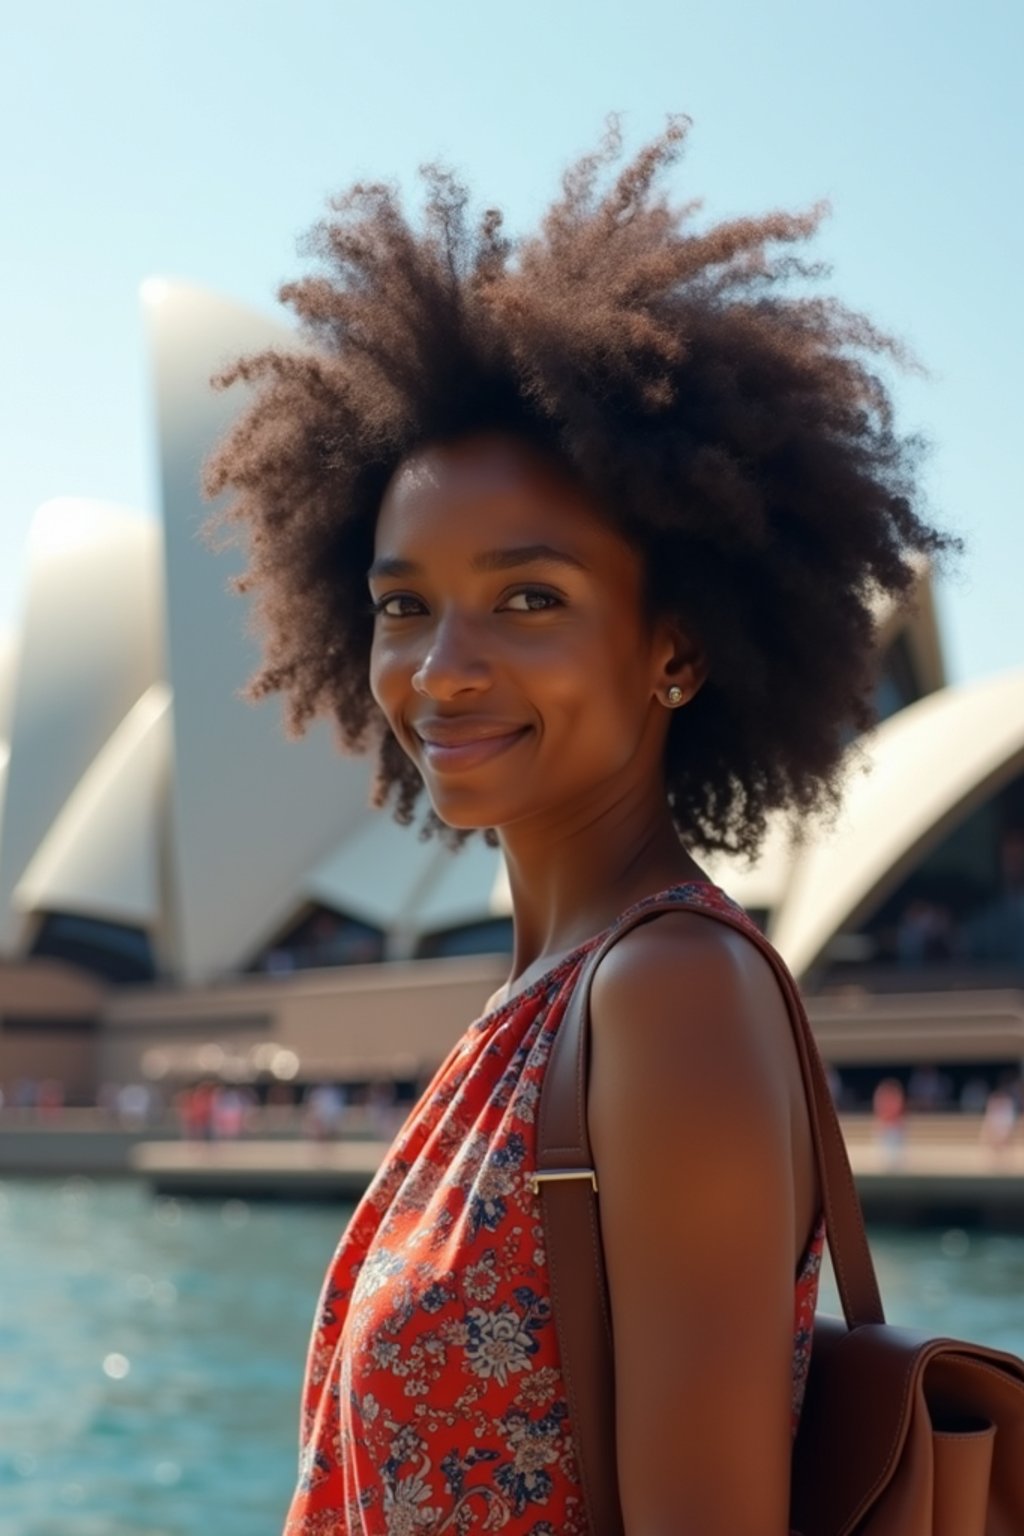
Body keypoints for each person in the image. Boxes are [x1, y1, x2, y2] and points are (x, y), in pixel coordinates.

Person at [205, 118, 955, 1536]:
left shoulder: (670, 1000)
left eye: (528, 598)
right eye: (404, 602)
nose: (443, 667)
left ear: (676, 644)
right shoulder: (539, 1003)